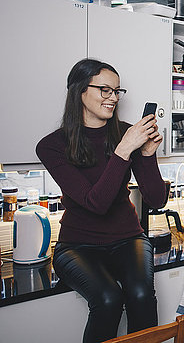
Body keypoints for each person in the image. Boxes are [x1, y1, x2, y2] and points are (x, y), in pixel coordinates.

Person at [36, 59, 168, 343]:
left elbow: (156, 200)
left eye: (117, 91)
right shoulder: (52, 145)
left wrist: (146, 154)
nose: (113, 98)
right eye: (105, 90)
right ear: (80, 91)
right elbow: (95, 202)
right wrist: (124, 150)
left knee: (142, 295)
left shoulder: (127, 134)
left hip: (128, 238)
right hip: (77, 246)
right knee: (108, 299)